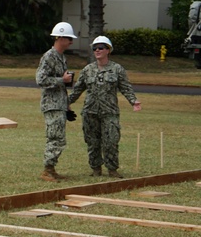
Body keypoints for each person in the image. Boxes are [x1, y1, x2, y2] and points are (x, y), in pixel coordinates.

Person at [68, 35, 141, 178]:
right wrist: (66, 102)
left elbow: (126, 87)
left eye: (101, 47)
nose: (97, 50)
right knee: (92, 142)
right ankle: (96, 169)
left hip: (110, 112)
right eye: (95, 48)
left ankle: (112, 169)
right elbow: (77, 90)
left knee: (111, 141)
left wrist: (133, 101)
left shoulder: (117, 69)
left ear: (108, 50)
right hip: (90, 111)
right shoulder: (87, 70)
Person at [37, 21, 78, 182]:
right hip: (51, 104)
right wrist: (62, 79)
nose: (71, 42)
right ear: (60, 37)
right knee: (56, 138)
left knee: (59, 137)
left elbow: (61, 83)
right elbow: (40, 79)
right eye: (69, 38)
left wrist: (67, 104)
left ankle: (51, 168)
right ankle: (47, 170)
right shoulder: (49, 56)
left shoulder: (61, 57)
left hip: (59, 103)